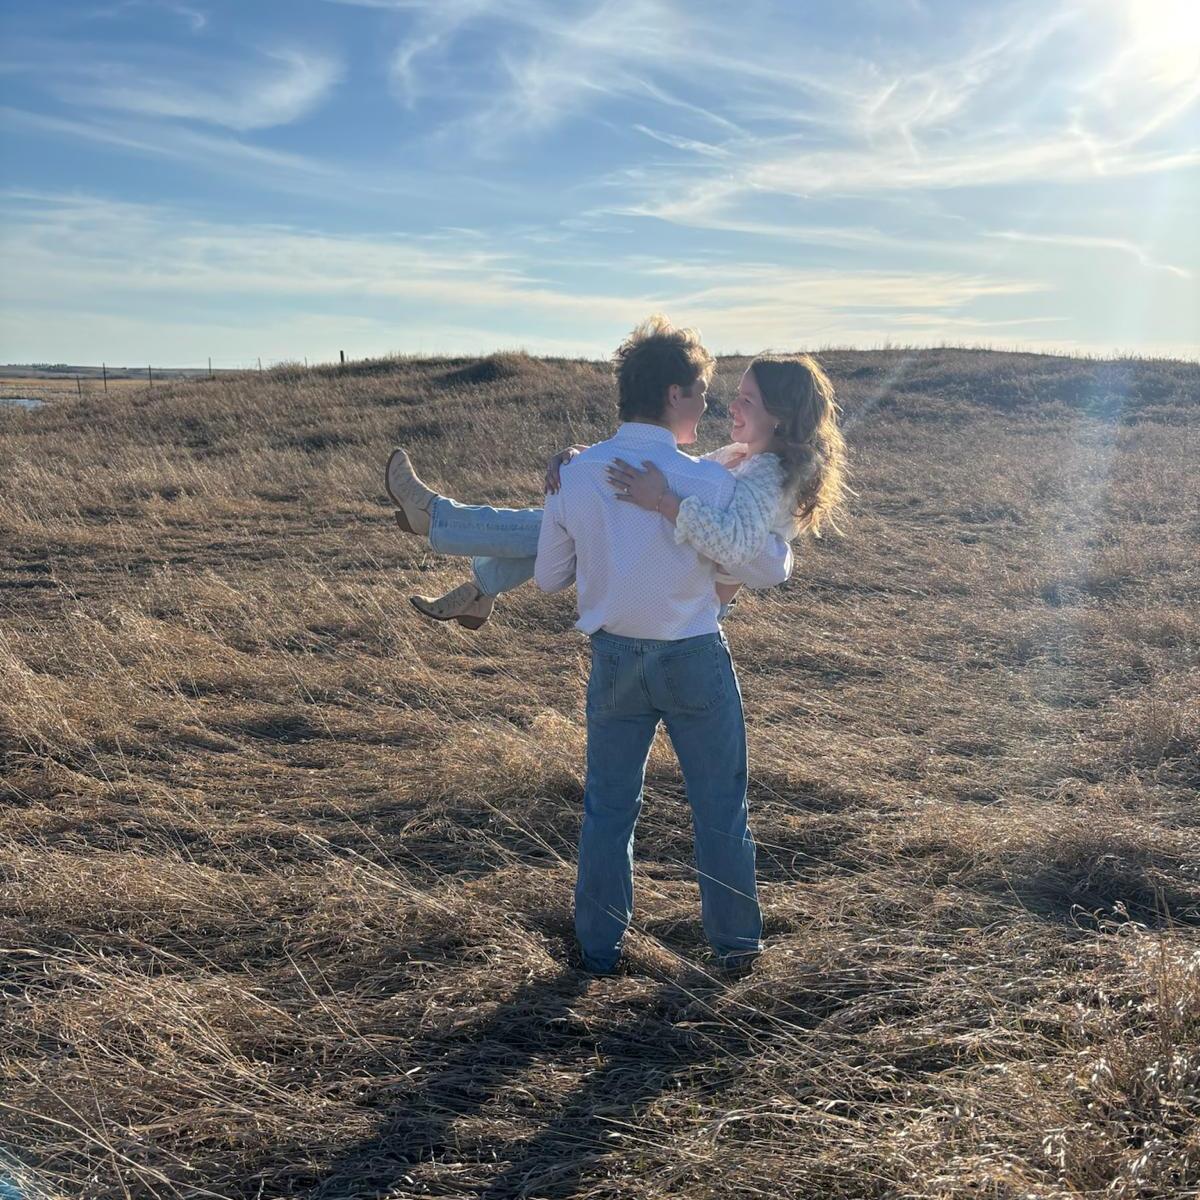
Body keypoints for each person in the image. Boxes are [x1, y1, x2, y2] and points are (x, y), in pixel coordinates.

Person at [386, 316, 847, 976]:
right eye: (708, 392)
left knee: (608, 810)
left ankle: (599, 951)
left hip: (617, 657)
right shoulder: (720, 475)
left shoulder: (698, 477)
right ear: (673, 395)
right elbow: (745, 546)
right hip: (692, 655)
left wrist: (582, 480)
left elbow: (761, 560)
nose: (719, 405)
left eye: (741, 398)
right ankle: (737, 949)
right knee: (719, 809)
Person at [385, 349, 845, 632]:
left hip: (688, 605)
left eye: (747, 399)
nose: (730, 405)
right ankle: (476, 575)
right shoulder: (744, 456)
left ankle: (443, 523)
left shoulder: (770, 475)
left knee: (572, 516)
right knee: (577, 513)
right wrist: (590, 459)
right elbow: (684, 474)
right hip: (679, 577)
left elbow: (738, 547)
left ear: (779, 415)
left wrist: (663, 501)